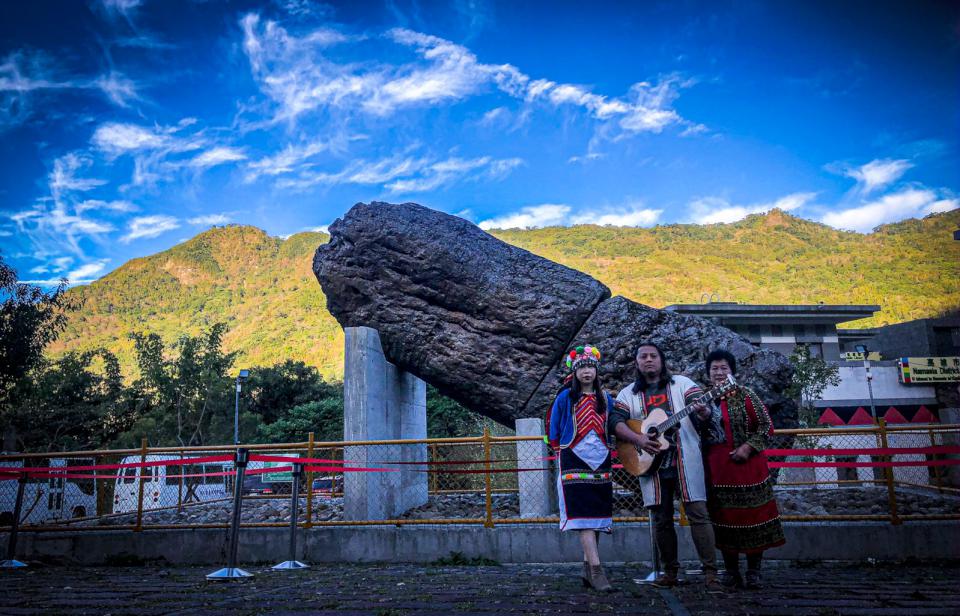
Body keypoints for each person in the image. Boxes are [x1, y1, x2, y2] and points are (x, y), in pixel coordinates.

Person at [610, 342, 720, 589]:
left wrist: (704, 412)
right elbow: (615, 421)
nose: (648, 360)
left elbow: (702, 409)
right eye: (643, 356)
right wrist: (638, 438)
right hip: (650, 463)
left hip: (684, 458)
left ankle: (710, 572)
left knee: (699, 514)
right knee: (661, 519)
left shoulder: (683, 384)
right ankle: (670, 572)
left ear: (662, 360)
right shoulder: (628, 393)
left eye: (653, 355)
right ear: (636, 363)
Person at [701, 349, 785, 589]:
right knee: (723, 518)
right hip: (717, 469)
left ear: (732, 371)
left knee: (753, 516)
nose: (719, 373)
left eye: (723, 368)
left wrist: (748, 447)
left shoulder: (747, 395)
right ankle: (731, 571)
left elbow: (766, 426)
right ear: (708, 373)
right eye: (714, 369)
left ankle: (754, 571)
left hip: (748, 467)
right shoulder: (703, 400)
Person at [546, 344, 617, 592]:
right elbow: (554, 426)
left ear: (596, 371)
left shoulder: (606, 399)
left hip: (601, 458)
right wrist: (558, 449)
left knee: (596, 512)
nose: (587, 372)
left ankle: (588, 570)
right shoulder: (566, 397)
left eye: (591, 367)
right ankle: (597, 571)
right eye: (582, 367)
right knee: (583, 513)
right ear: (575, 372)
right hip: (573, 456)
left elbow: (614, 424)